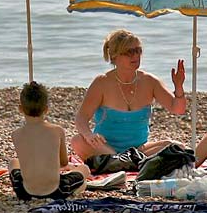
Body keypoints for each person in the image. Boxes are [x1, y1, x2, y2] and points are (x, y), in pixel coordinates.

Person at [71, 29, 187, 160]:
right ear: (114, 56)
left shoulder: (150, 81)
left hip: (138, 150)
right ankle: (124, 161)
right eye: (129, 52)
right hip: (106, 149)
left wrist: (178, 87)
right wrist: (88, 135)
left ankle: (123, 162)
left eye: (138, 50)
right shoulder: (102, 83)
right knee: (77, 141)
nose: (135, 56)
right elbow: (82, 117)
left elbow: (178, 109)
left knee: (178, 147)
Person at [9, 81, 90, 201]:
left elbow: (28, 160)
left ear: (20, 109)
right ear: (46, 109)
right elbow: (63, 162)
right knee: (84, 169)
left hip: (24, 192)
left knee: (14, 162)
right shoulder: (57, 131)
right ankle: (76, 190)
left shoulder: (16, 134)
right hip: (56, 191)